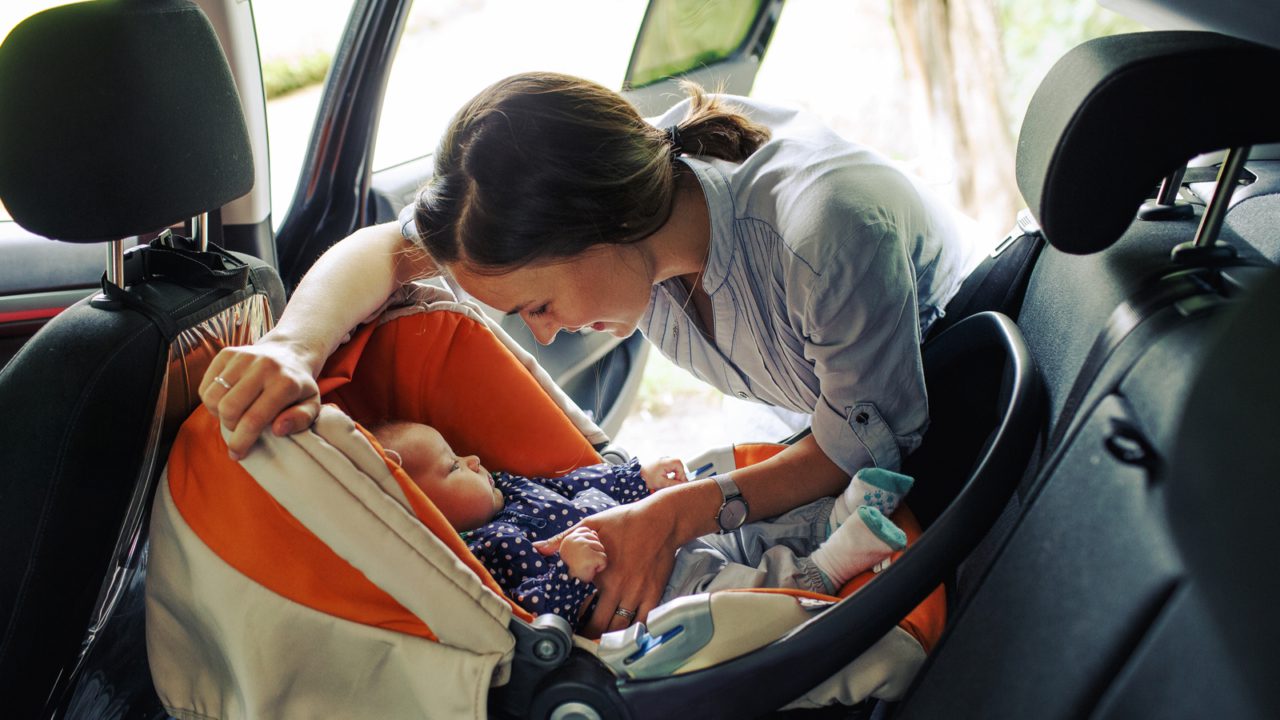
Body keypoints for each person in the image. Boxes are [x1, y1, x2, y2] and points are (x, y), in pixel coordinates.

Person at [199, 71, 986, 637]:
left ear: (598, 225)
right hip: (844, 451)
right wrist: (294, 348)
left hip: (954, 449)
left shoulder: (824, 236)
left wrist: (674, 513)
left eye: (538, 306)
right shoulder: (647, 223)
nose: (542, 334)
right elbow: (380, 250)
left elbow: (859, 447)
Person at [370, 421, 913, 626]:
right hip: (653, 591)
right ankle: (828, 566)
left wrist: (638, 477)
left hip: (668, 533)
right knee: (736, 591)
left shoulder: (509, 487)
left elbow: (580, 481)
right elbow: (523, 610)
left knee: (744, 531)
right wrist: (573, 571)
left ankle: (831, 519)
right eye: (449, 465)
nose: (471, 460)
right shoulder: (479, 552)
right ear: (424, 511)